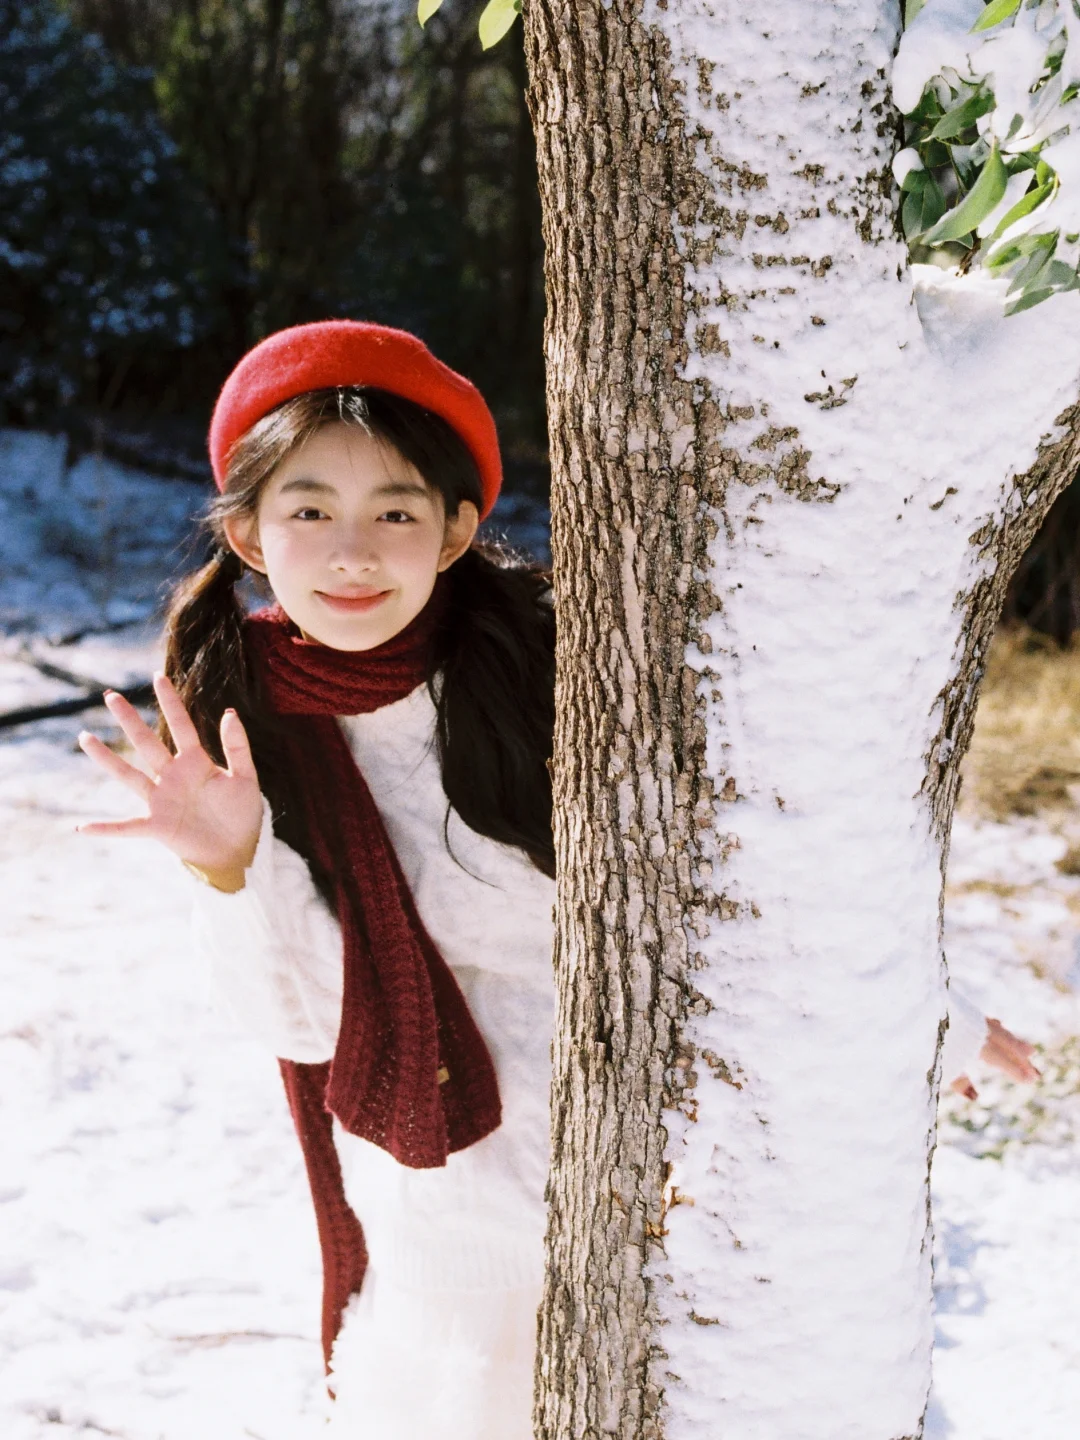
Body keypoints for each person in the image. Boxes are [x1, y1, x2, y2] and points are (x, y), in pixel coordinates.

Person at [74, 320, 1036, 1437]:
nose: (353, 551)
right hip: (456, 1182)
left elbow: (725, 873)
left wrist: (923, 1014)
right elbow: (302, 1020)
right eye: (308, 510)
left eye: (395, 511)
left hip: (682, 1149)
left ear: (452, 533)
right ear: (248, 533)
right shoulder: (246, 734)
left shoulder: (559, 665)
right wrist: (230, 867)